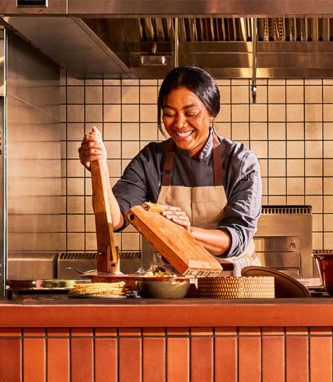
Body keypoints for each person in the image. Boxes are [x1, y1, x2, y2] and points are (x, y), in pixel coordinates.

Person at [79, 66, 262, 275]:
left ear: (211, 111)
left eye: (190, 113)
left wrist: (187, 232)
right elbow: (116, 219)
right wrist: (98, 167)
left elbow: (237, 237)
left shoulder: (240, 161)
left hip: (234, 283)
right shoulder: (151, 159)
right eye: (169, 114)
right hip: (173, 284)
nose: (179, 124)